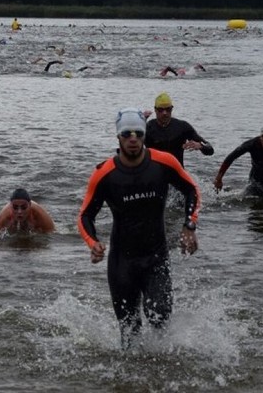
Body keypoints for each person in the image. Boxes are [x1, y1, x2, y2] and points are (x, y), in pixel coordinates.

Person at [77, 108, 200, 348]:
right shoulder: (104, 174)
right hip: (122, 263)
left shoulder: (163, 163)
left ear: (144, 136)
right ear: (118, 138)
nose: (133, 138)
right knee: (129, 333)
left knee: (161, 319)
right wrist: (93, 244)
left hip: (156, 258)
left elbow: (191, 190)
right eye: (126, 134)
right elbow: (85, 216)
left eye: (138, 133)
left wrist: (189, 224)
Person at [143, 92, 214, 168]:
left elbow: (210, 150)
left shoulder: (182, 127)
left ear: (172, 109)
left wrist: (201, 146)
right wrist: (140, 123)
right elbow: (131, 148)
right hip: (153, 172)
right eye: (160, 110)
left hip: (177, 172)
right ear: (155, 110)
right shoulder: (147, 128)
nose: (164, 113)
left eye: (168, 109)